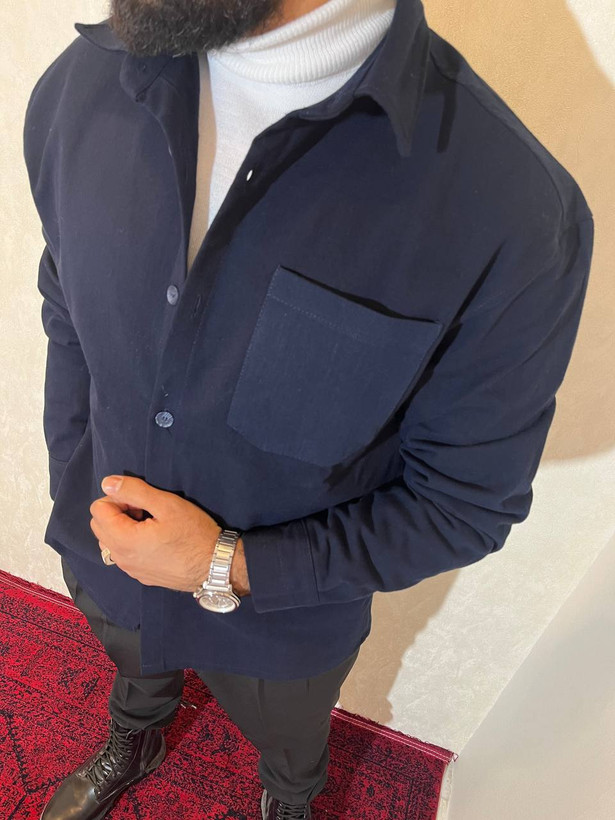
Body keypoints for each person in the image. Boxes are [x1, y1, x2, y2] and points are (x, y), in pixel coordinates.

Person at [23, 0, 594, 818]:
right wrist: (69, 465)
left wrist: (221, 564)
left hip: (283, 623)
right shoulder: (82, 81)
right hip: (105, 548)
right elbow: (66, 308)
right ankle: (134, 735)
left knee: (290, 744)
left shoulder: (512, 215)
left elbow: (462, 506)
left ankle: (289, 798)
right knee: (132, 668)